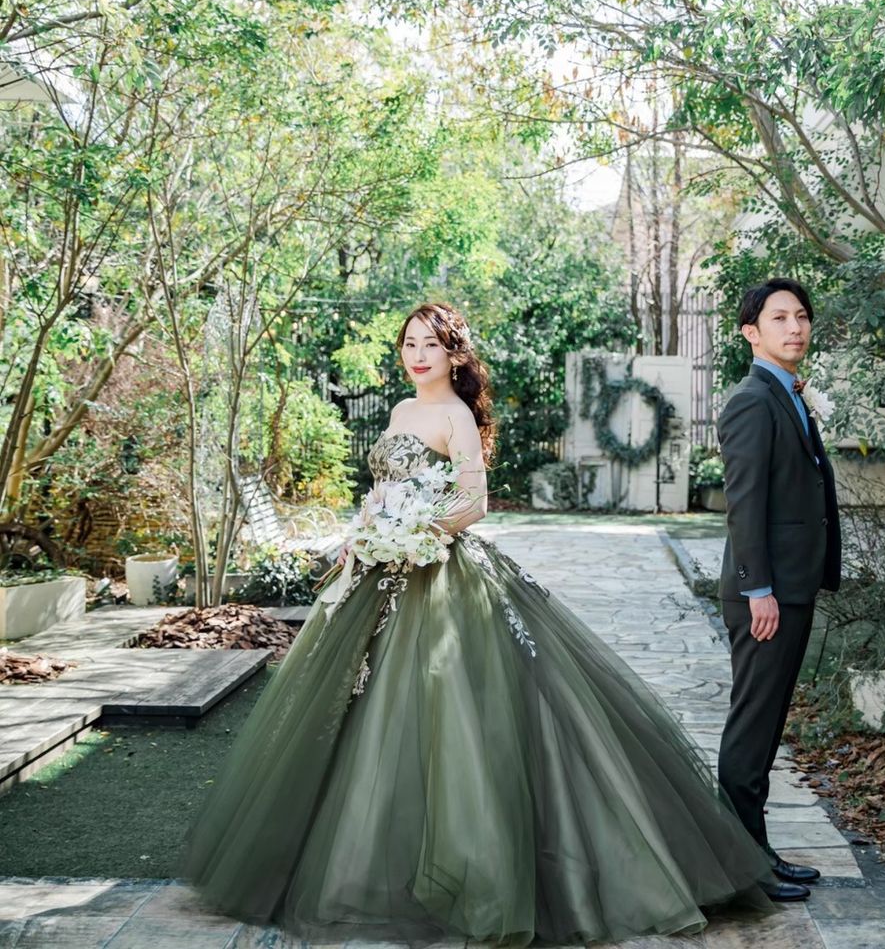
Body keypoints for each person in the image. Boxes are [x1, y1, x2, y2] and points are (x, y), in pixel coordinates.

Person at [185, 302, 777, 946]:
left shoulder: (456, 416)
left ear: (453, 355)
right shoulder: (400, 411)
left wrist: (414, 534)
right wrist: (372, 530)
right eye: (409, 344)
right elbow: (385, 491)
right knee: (363, 707)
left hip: (440, 571)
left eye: (431, 345)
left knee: (450, 709)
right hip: (382, 573)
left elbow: (474, 503)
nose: (418, 355)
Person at [716, 279, 842, 902]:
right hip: (764, 598)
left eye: (801, 316)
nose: (795, 327)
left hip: (791, 588)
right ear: (752, 332)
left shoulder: (786, 393)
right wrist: (758, 589)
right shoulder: (751, 401)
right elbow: (745, 505)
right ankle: (742, 869)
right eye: (779, 318)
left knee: (766, 731)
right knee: (752, 728)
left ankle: (758, 853)